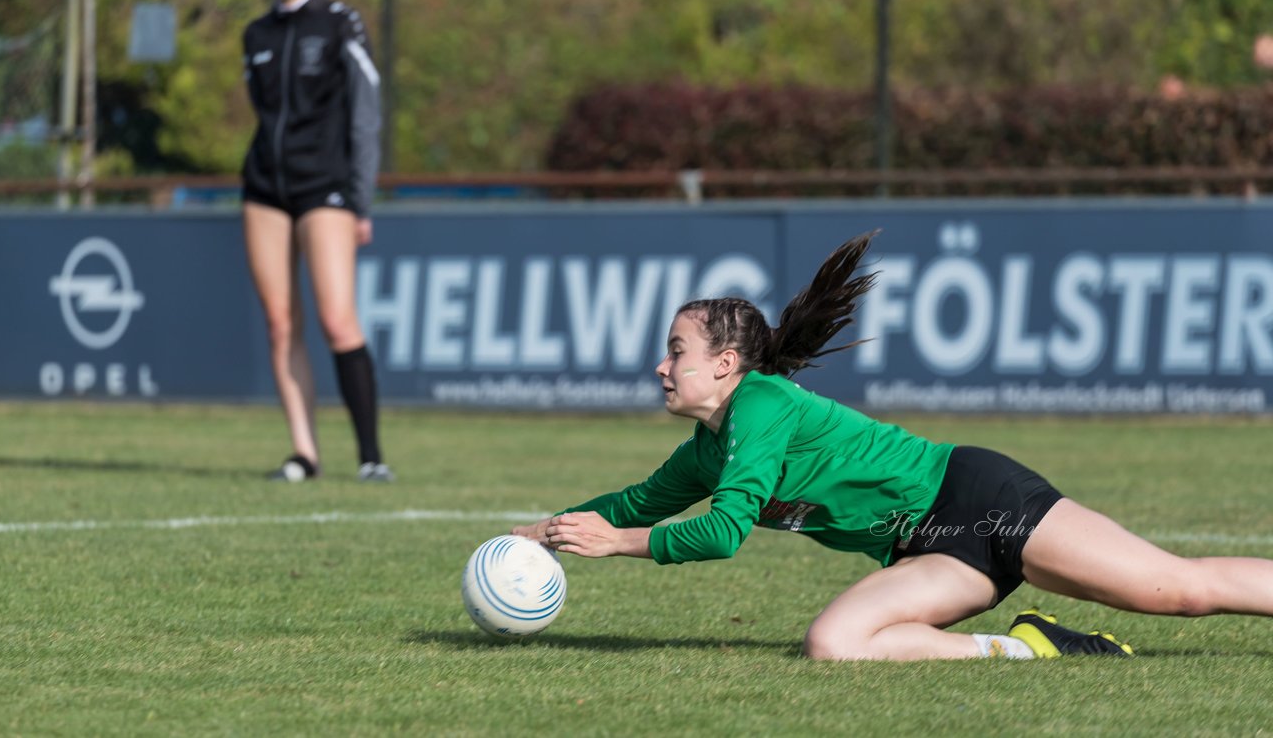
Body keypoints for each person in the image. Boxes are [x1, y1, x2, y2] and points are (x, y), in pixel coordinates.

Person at [513, 231, 1273, 660]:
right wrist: (548, 531)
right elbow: (637, 503)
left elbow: (722, 534)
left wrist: (620, 546)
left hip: (979, 500)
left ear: (725, 364)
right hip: (929, 552)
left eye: (674, 350)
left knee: (1178, 591)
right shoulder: (708, 448)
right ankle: (1035, 648)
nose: (661, 366)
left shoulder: (765, 403)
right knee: (834, 645)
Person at [241, 0, 392, 483]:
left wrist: (360, 201)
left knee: (336, 318)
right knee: (281, 323)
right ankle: (304, 452)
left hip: (325, 189)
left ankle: (371, 455)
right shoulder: (255, 34)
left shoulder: (340, 24)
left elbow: (365, 116)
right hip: (263, 190)